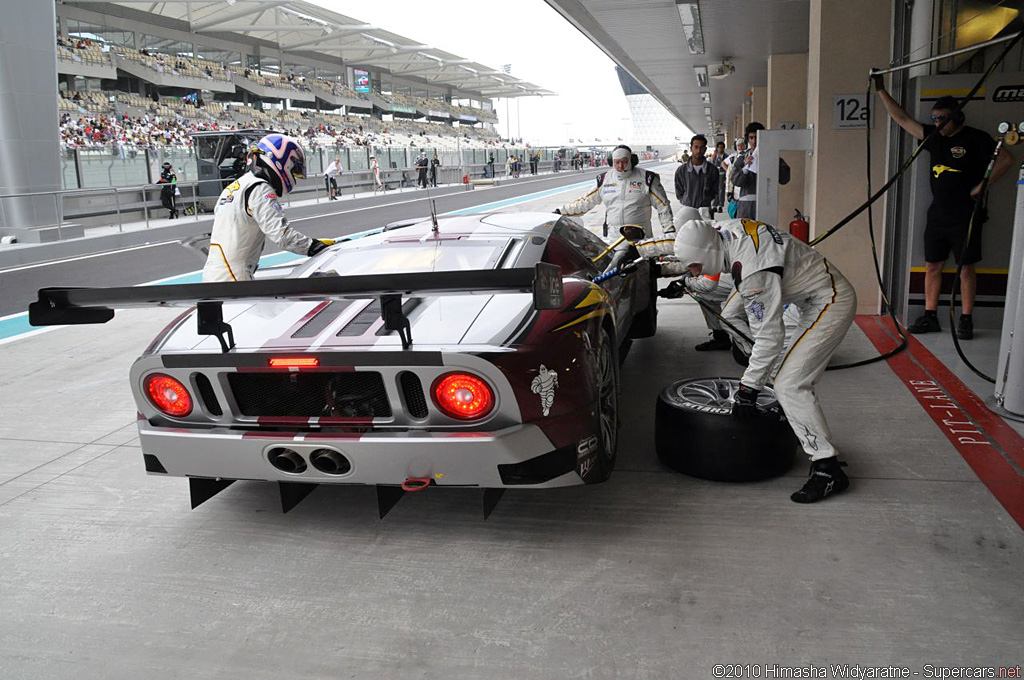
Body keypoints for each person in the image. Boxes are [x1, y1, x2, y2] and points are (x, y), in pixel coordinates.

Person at [667, 215, 857, 502]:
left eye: (695, 266)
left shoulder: (753, 274)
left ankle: (828, 469)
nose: (694, 271)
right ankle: (785, 402)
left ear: (706, 253)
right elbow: (682, 245)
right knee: (761, 348)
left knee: (790, 384)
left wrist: (748, 389)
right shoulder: (722, 231)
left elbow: (770, 337)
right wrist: (659, 263)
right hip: (801, 293)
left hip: (829, 299)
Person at [873, 82, 1015, 339]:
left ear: (957, 117)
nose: (937, 123)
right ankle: (930, 316)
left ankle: (966, 319)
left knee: (966, 268)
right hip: (938, 213)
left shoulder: (976, 138)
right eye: (934, 118)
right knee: (932, 266)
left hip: (965, 214)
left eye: (942, 119)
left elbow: (1006, 159)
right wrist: (881, 90)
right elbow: (902, 118)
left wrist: (982, 186)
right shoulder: (934, 138)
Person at [202, 134, 329, 283]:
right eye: (293, 170)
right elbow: (282, 235)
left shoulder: (234, 187)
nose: (294, 176)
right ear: (282, 161)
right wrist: (314, 246)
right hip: (234, 277)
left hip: (214, 274)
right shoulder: (260, 188)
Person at [555, 145, 674, 239]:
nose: (621, 166)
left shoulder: (647, 179)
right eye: (617, 162)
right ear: (611, 162)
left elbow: (663, 206)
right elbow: (585, 203)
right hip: (614, 240)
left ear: (632, 160)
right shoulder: (604, 180)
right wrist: (560, 211)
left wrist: (669, 231)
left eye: (624, 161)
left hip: (641, 239)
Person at [731, 122, 790, 220]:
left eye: (757, 137)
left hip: (766, 204)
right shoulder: (741, 159)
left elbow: (784, 179)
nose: (754, 141)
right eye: (751, 138)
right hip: (746, 206)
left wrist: (774, 162)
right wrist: (745, 168)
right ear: (747, 139)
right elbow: (736, 181)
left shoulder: (772, 156)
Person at [674, 134, 720, 212]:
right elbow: (679, 193)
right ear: (691, 148)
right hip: (687, 210)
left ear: (705, 149)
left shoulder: (712, 170)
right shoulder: (681, 170)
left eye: (701, 148)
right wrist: (686, 201)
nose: (698, 150)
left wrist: (706, 202)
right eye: (696, 147)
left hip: (705, 211)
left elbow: (715, 191)